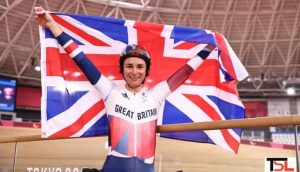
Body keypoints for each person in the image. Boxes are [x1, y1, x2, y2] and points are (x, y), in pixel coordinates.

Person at [35, 9, 215, 172]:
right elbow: (81, 60)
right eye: (129, 66)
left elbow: (186, 71)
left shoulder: (156, 95)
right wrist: (52, 25)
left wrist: (210, 46)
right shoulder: (110, 92)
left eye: (139, 67)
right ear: (122, 70)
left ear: (146, 72)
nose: (134, 72)